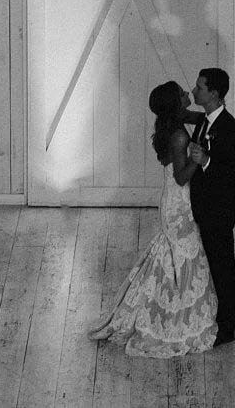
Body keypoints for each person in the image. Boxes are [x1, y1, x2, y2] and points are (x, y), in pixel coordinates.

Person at [89, 80, 218, 357]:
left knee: (174, 254)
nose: (188, 94)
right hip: (177, 202)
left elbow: (204, 118)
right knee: (185, 254)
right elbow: (181, 176)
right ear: (175, 103)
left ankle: (161, 303)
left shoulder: (175, 122)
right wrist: (199, 159)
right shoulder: (180, 136)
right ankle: (173, 317)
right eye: (183, 93)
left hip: (174, 200)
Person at [187, 66, 235, 345]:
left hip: (219, 212)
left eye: (200, 87)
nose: (194, 91)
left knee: (223, 269)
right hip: (204, 208)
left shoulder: (231, 130)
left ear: (215, 94)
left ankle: (226, 328)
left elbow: (230, 175)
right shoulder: (205, 121)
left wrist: (206, 161)